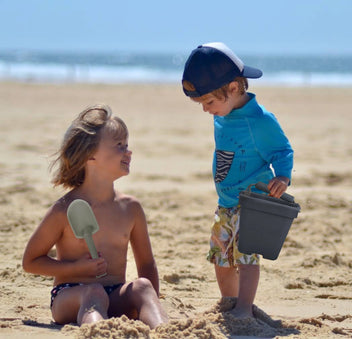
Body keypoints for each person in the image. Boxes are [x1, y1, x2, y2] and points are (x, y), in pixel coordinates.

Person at [22, 104, 168, 328]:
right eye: (119, 145)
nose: (128, 151)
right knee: (94, 292)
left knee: (142, 287)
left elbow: (147, 264)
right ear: (90, 156)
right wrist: (76, 269)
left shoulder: (130, 208)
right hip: (70, 295)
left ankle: (165, 331)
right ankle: (100, 332)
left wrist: (146, 302)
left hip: (115, 293)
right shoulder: (64, 209)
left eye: (127, 145)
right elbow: (31, 262)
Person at [181, 43, 294, 318]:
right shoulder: (224, 113)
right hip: (225, 202)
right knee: (220, 255)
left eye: (209, 102)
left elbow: (282, 150)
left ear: (233, 88)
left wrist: (282, 176)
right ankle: (229, 301)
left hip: (252, 201)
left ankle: (244, 307)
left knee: (246, 257)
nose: (206, 110)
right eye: (202, 104)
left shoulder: (260, 120)